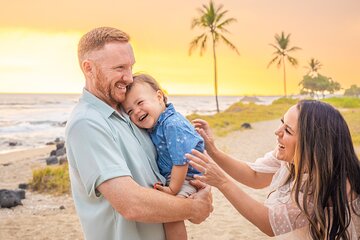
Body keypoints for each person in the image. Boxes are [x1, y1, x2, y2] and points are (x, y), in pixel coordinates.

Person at [65, 27, 213, 240]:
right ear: (89, 68)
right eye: (119, 68)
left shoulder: (129, 115)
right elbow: (130, 203)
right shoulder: (87, 123)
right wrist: (192, 208)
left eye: (130, 67)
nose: (128, 77)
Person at [187, 100, 360, 239]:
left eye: (288, 131)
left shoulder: (328, 182)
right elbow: (254, 176)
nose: (277, 132)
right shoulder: (291, 157)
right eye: (282, 123)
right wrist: (213, 151)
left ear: (312, 146)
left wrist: (222, 182)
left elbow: (270, 224)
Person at [122, 74, 204, 240]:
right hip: (177, 175)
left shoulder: (172, 124)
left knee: (172, 214)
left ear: (159, 97)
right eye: (130, 111)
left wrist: (173, 189)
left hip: (188, 176)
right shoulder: (158, 123)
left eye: (140, 102)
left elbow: (181, 161)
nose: (136, 111)